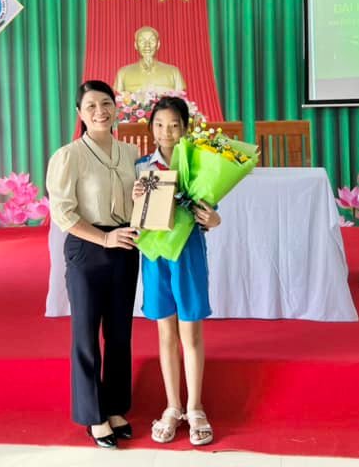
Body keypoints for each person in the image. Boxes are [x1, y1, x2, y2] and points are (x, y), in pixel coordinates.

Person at [45, 80, 141, 449]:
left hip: (125, 246)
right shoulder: (69, 156)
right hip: (88, 249)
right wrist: (103, 239)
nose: (100, 112)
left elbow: (141, 204)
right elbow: (63, 214)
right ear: (80, 114)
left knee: (119, 334)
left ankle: (115, 407)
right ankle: (92, 415)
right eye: (91, 106)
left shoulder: (131, 153)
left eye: (106, 103)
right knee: (85, 334)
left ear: (116, 107)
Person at [132, 96, 221, 446]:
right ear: (150, 128)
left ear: (185, 128)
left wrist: (214, 219)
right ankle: (172, 406)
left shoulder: (198, 166)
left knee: (191, 333)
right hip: (155, 258)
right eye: (159, 125)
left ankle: (195, 408)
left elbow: (210, 213)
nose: (166, 132)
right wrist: (135, 199)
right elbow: (134, 216)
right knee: (165, 333)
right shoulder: (142, 167)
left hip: (189, 256)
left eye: (173, 125)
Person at [114, 25, 186, 94]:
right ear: (136, 45)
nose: (147, 45)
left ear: (158, 45)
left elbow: (180, 98)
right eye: (142, 41)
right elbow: (118, 98)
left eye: (152, 41)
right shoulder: (123, 73)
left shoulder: (174, 72)